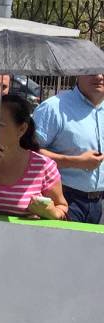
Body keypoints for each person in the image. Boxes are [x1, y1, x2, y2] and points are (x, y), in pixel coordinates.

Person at [0, 94, 67, 220]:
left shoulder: (43, 166)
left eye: (0, 126)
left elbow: (61, 207)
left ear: (22, 129)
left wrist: (51, 211)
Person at [33, 73, 104, 224]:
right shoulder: (54, 107)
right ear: (78, 74)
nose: (99, 76)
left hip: (99, 203)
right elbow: (29, 151)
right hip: (64, 199)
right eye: (92, 71)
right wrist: (75, 162)